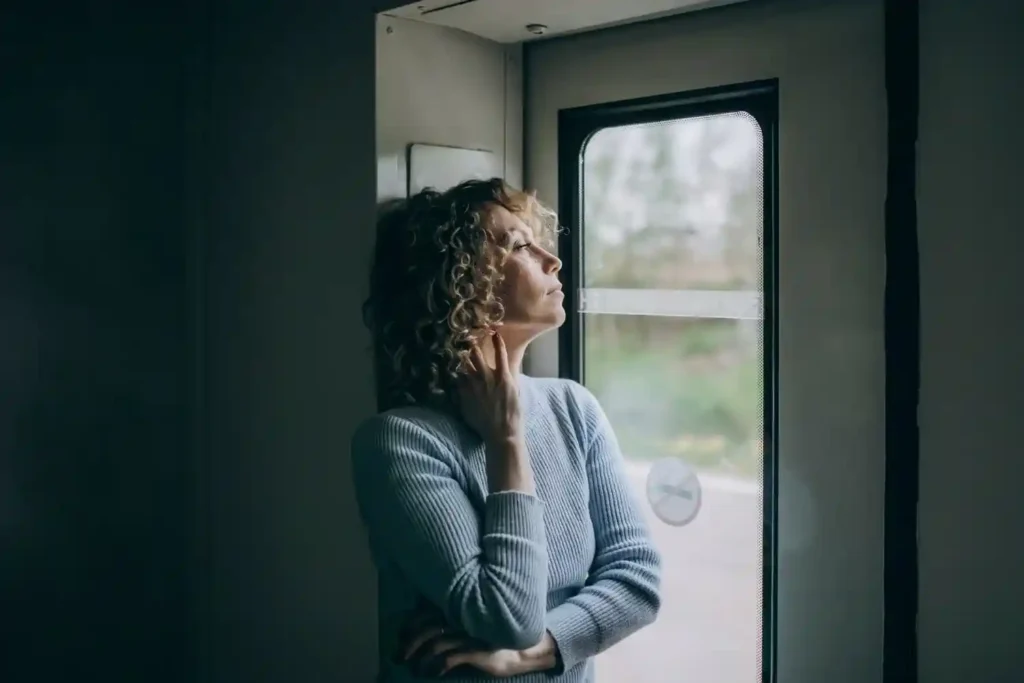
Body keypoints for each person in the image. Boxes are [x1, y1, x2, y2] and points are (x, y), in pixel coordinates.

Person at [351, 178, 662, 681]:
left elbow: (638, 580)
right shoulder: (399, 443)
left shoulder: (573, 408)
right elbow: (508, 619)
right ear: (458, 283)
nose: (552, 260)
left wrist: (531, 654)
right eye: (520, 246)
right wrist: (506, 442)